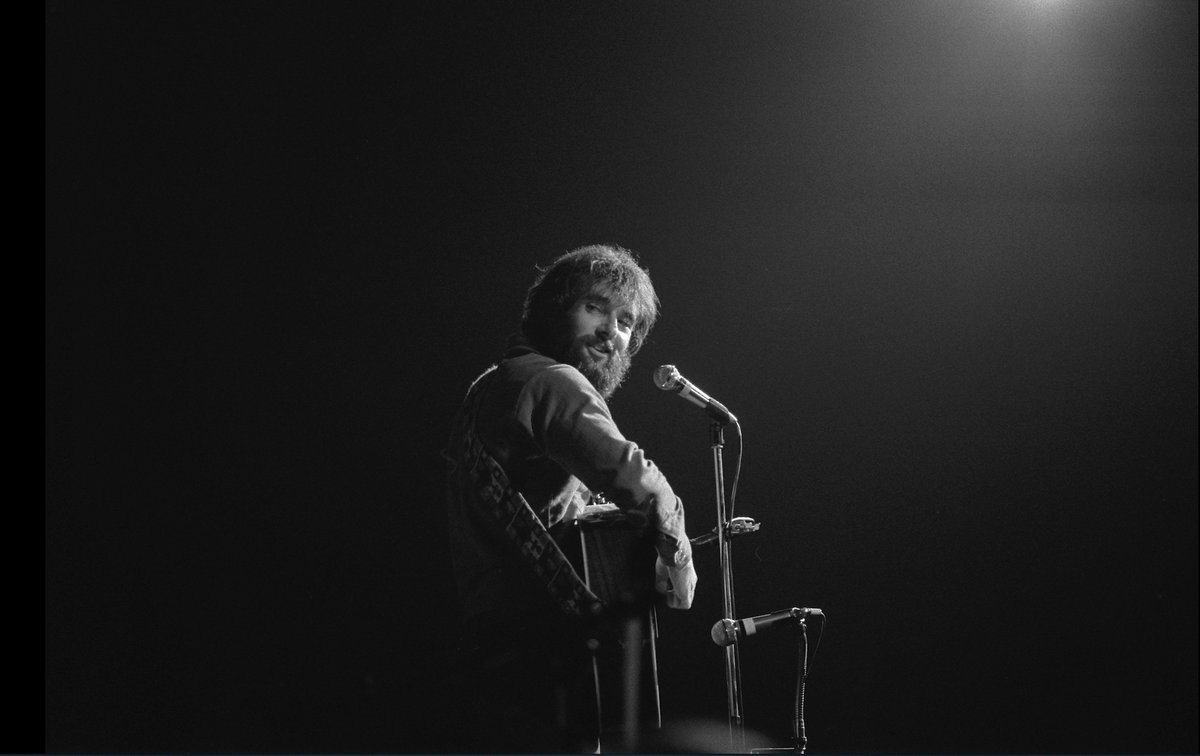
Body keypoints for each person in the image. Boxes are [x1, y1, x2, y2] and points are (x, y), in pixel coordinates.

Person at [443, 244, 697, 752]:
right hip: (545, 641)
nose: (611, 332)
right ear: (555, 309)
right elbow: (636, 478)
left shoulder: (490, 386)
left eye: (626, 322)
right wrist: (680, 556)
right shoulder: (552, 381)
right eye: (595, 308)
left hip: (488, 639)